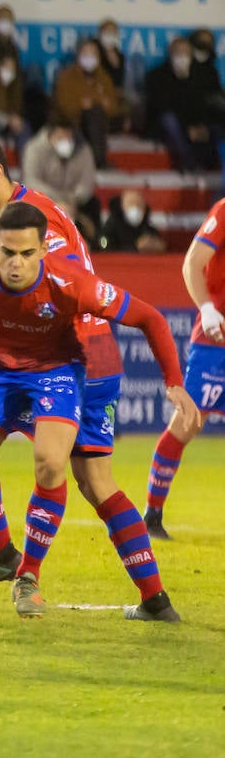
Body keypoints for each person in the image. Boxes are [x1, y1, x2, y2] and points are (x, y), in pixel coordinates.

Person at [0, 134, 183, 624]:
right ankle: (152, 597)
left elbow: (58, 283)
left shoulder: (44, 236)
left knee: (71, 474)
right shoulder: (24, 210)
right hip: (55, 356)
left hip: (74, 357)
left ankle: (16, 564)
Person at [142, 197, 225, 538]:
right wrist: (206, 308)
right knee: (188, 420)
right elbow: (192, 263)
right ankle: (152, 513)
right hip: (216, 337)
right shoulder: (223, 211)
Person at [144, 36, 223, 173]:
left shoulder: (200, 76)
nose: (182, 57)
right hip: (167, 125)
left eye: (185, 53)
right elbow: (162, 107)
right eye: (178, 52)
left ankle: (215, 164)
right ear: (170, 54)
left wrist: (202, 126)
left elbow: (205, 105)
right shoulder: (157, 76)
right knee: (169, 121)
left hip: (196, 123)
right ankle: (190, 163)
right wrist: (188, 128)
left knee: (217, 126)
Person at [21, 115, 99, 242]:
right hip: (44, 201)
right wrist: (56, 202)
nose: (66, 141)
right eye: (61, 137)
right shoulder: (34, 149)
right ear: (51, 136)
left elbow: (87, 181)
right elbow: (31, 181)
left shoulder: (84, 150)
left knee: (93, 205)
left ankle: (91, 246)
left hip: (75, 203)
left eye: (69, 137)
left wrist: (71, 201)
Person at [52, 38, 125, 168]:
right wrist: (88, 105)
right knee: (92, 113)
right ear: (78, 55)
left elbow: (113, 107)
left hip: (100, 123)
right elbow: (65, 107)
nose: (89, 57)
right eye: (86, 53)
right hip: (73, 124)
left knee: (95, 112)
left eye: (93, 54)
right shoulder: (66, 77)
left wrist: (92, 102)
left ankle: (97, 159)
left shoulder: (104, 78)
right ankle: (98, 161)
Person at [98, 189, 166, 253]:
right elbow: (103, 245)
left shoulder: (148, 230)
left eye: (139, 204)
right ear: (122, 206)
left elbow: (161, 245)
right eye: (131, 203)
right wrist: (135, 247)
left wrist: (156, 246)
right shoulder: (111, 227)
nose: (135, 208)